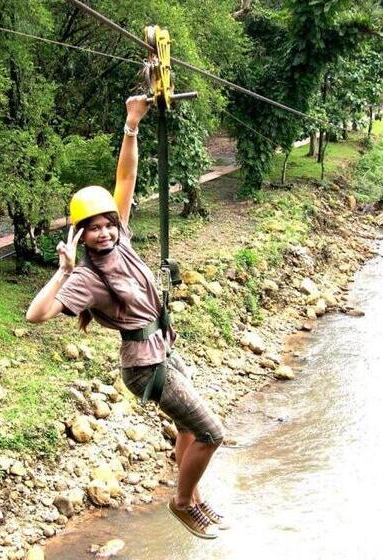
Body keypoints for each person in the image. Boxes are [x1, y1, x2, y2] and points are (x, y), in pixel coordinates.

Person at [26, 95, 227, 539]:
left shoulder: (124, 241)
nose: (104, 232)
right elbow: (36, 315)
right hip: (145, 367)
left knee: (188, 429)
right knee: (211, 431)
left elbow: (126, 178)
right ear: (81, 233)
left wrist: (131, 124)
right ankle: (181, 503)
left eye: (108, 224)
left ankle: (191, 494)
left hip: (164, 350)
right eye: (93, 228)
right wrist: (61, 272)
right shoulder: (87, 277)